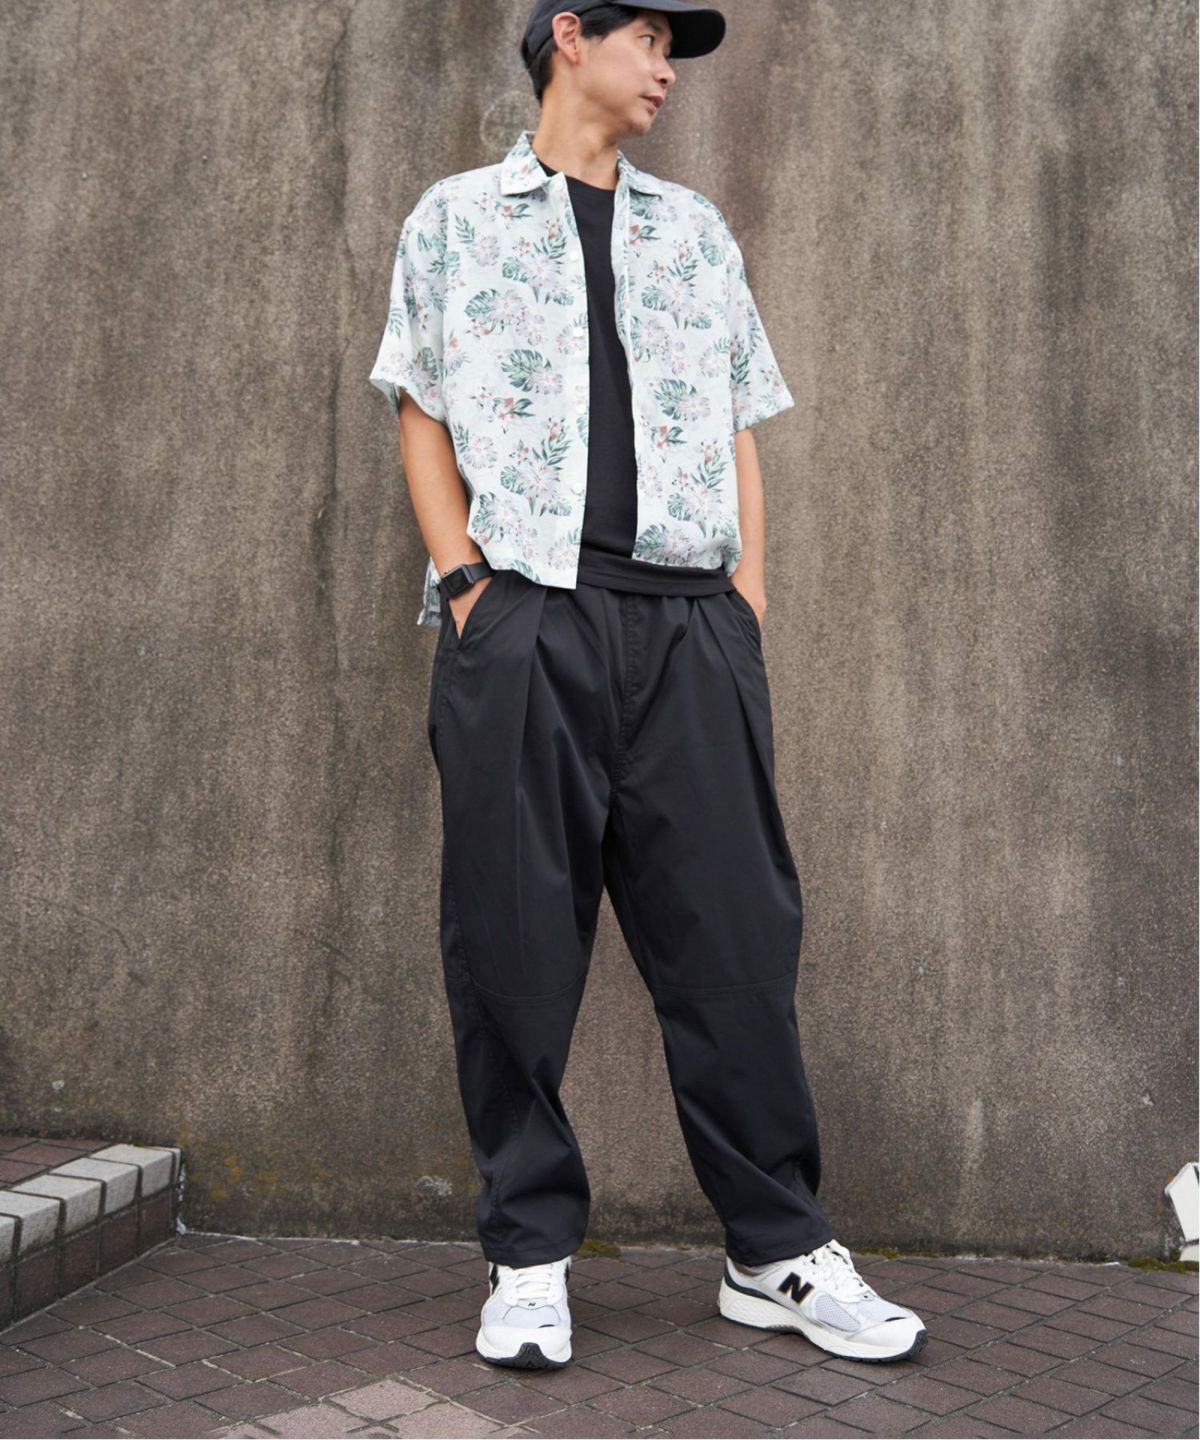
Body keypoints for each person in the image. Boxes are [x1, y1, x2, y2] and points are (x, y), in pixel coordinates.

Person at [369, 0, 927, 1372]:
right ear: (571, 37)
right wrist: (466, 586)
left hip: (689, 628)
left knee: (737, 944)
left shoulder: (695, 233)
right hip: (525, 620)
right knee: (511, 949)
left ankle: (776, 1249)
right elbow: (420, 407)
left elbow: (737, 420)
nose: (667, 70)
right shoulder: (455, 219)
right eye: (652, 41)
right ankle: (527, 1256)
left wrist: (746, 604)